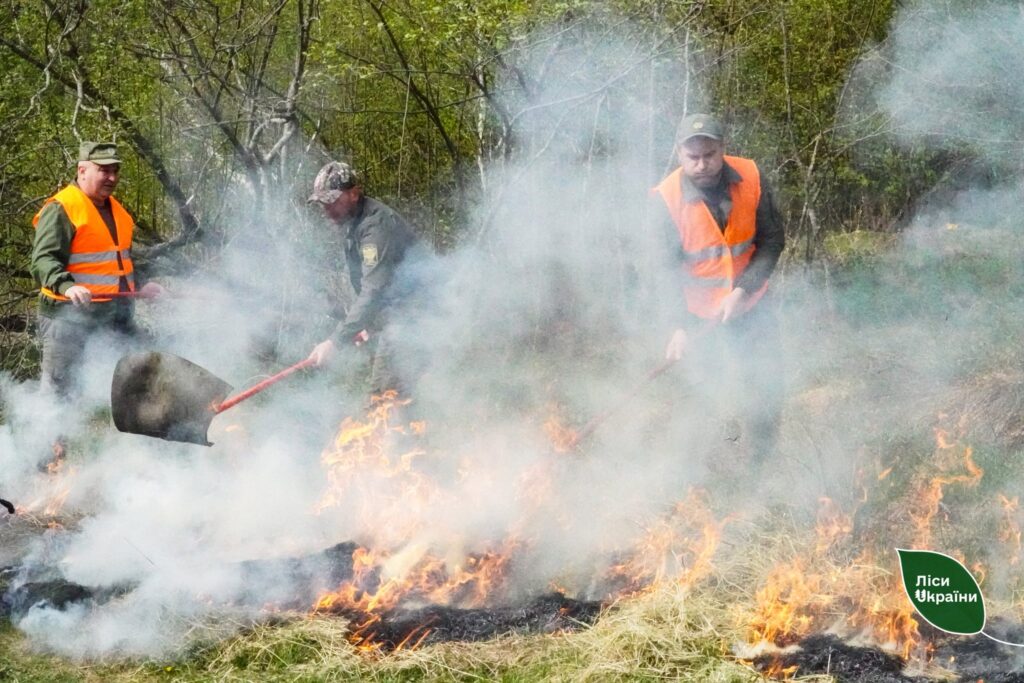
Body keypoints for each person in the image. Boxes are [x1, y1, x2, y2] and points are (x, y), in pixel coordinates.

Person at [650, 113, 786, 467]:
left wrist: (742, 291)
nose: (702, 164)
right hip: (699, 318)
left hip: (752, 305)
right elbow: (662, 271)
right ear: (679, 154)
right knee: (704, 395)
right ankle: (703, 473)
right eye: (692, 157)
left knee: (765, 385)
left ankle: (762, 464)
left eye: (709, 154)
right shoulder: (666, 198)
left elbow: (772, 240)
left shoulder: (751, 177)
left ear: (722, 149)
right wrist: (677, 326)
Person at [30, 141, 163, 466]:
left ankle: (144, 461)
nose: (111, 177)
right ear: (83, 170)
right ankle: (48, 471)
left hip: (115, 318)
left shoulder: (117, 211)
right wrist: (67, 286)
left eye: (115, 170)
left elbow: (119, 261)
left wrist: (142, 286)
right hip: (67, 319)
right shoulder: (62, 208)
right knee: (60, 395)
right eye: (104, 170)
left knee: (140, 380)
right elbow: (42, 260)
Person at [305, 161, 431, 399]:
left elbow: (374, 289)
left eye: (333, 200)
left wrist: (335, 341)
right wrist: (367, 324)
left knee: (382, 399)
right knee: (397, 402)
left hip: (415, 319)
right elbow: (375, 284)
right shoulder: (352, 223)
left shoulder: (376, 225)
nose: (327, 209)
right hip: (399, 320)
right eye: (323, 203)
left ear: (354, 193)